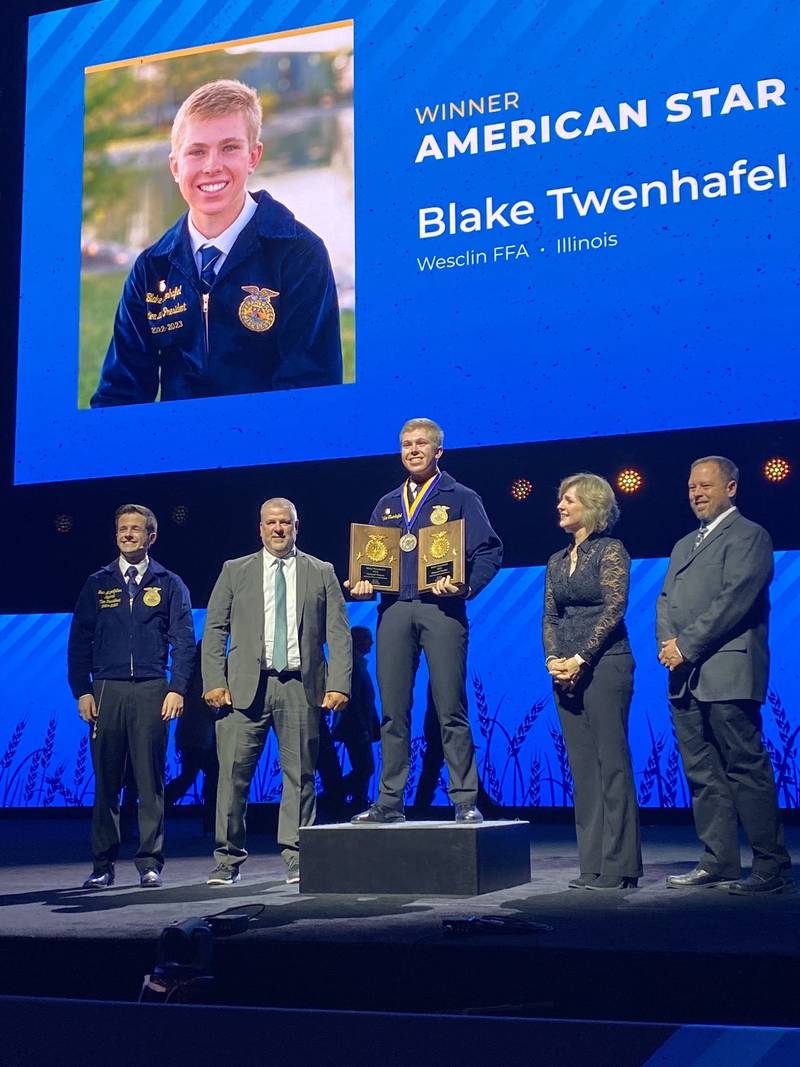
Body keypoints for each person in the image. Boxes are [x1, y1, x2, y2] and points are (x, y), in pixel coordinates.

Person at [91, 79, 341, 406]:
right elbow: (119, 395)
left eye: (230, 147)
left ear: (253, 156)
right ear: (175, 166)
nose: (212, 166)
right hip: (180, 453)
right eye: (196, 151)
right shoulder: (151, 269)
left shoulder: (299, 254)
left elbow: (311, 390)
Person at [349, 418, 502, 824]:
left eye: (421, 444)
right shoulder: (385, 504)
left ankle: (465, 799)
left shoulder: (460, 497)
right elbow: (373, 562)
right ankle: (389, 802)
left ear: (438, 452)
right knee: (393, 711)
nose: (413, 450)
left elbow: (489, 551)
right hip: (395, 611)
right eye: (406, 444)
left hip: (442, 611)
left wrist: (466, 587)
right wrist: (363, 584)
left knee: (450, 706)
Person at [658, 456, 791, 894]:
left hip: (728, 668)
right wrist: (667, 643)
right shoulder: (682, 545)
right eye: (691, 487)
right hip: (685, 675)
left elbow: (736, 600)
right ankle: (719, 861)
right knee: (702, 771)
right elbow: (665, 600)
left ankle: (771, 864)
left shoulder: (750, 535)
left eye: (705, 486)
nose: (696, 493)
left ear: (731, 488)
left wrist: (686, 644)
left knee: (744, 767)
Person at [202, 498, 351, 885]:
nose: (278, 529)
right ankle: (226, 861)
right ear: (260, 528)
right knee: (232, 775)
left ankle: (297, 858)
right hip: (243, 689)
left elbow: (338, 631)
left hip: (302, 687)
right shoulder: (235, 571)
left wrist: (339, 683)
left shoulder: (321, 571)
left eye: (285, 522)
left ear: (297, 526)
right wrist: (214, 681)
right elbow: (215, 628)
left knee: (300, 775)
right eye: (271, 523)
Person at [67, 505, 195, 888]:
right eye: (122, 529)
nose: (127, 534)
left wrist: (177, 688)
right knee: (107, 781)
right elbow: (79, 643)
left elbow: (184, 643)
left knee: (149, 780)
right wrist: (82, 691)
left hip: (153, 690)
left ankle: (149, 862)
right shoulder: (98, 583)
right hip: (107, 690)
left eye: (136, 529)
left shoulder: (169, 583)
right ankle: (102, 865)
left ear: (151, 537)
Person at [543, 474, 642, 891]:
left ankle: (620, 868)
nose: (561, 506)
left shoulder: (611, 550)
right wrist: (554, 660)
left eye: (569, 500)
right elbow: (550, 616)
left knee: (611, 764)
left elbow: (615, 606)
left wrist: (582, 657)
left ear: (592, 505)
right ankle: (592, 864)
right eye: (560, 500)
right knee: (583, 769)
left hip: (606, 665)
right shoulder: (555, 560)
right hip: (565, 671)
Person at [165, 641, 220, 836]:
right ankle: (209, 821)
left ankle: (210, 820)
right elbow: (203, 706)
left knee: (199, 775)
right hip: (198, 735)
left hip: (195, 735)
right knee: (201, 776)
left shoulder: (191, 676)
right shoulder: (199, 677)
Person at [332, 626, 381, 813]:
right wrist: (362, 728)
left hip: (361, 726)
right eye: (367, 639)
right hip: (354, 727)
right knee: (365, 767)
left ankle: (353, 799)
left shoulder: (359, 664)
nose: (371, 643)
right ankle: (339, 796)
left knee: (364, 766)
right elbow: (356, 703)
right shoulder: (352, 666)